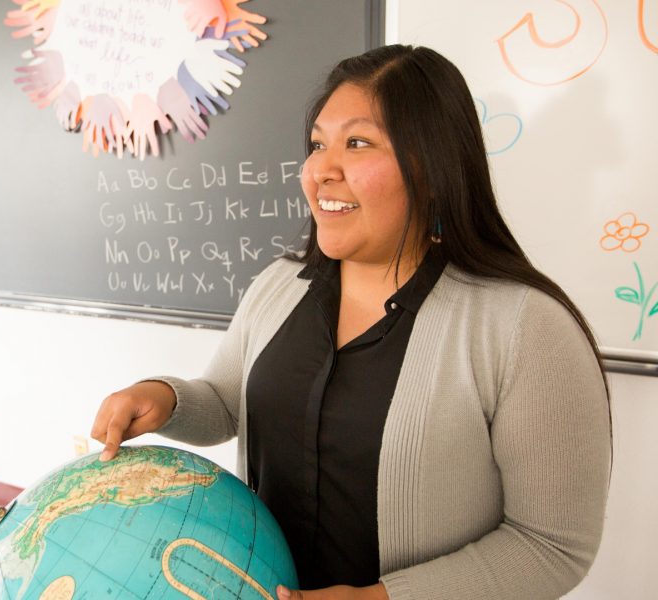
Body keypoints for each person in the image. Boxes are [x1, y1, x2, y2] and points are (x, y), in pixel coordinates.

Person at [91, 44, 611, 600]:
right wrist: (165, 398)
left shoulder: (524, 327)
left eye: (357, 143)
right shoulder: (279, 286)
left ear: (432, 168)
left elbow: (551, 546)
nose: (321, 170)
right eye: (318, 145)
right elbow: (227, 401)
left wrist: (379, 599)